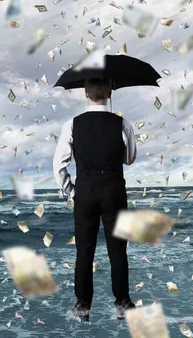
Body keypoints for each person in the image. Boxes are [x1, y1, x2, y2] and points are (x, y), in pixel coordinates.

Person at [53, 77, 137, 322]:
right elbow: (130, 159)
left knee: (84, 251)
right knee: (118, 251)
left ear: (86, 95)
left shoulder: (72, 124)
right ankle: (122, 305)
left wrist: (72, 191)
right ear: (110, 93)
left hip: (86, 193)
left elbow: (59, 165)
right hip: (114, 190)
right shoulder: (123, 124)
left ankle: (82, 308)